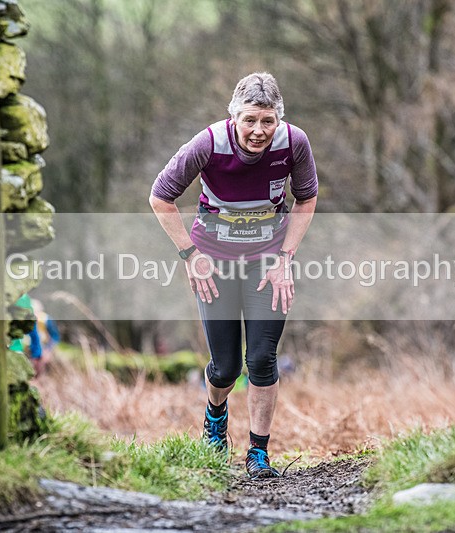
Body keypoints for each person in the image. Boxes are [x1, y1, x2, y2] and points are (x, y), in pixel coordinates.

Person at [149, 72, 318, 478]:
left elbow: (306, 198)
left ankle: (258, 453)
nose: (258, 131)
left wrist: (286, 257)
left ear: (278, 120)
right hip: (215, 260)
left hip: (267, 260)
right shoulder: (207, 143)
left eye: (267, 121)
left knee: (261, 359)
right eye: (249, 120)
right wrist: (190, 254)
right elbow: (160, 197)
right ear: (233, 117)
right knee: (225, 368)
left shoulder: (295, 142)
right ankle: (215, 413)